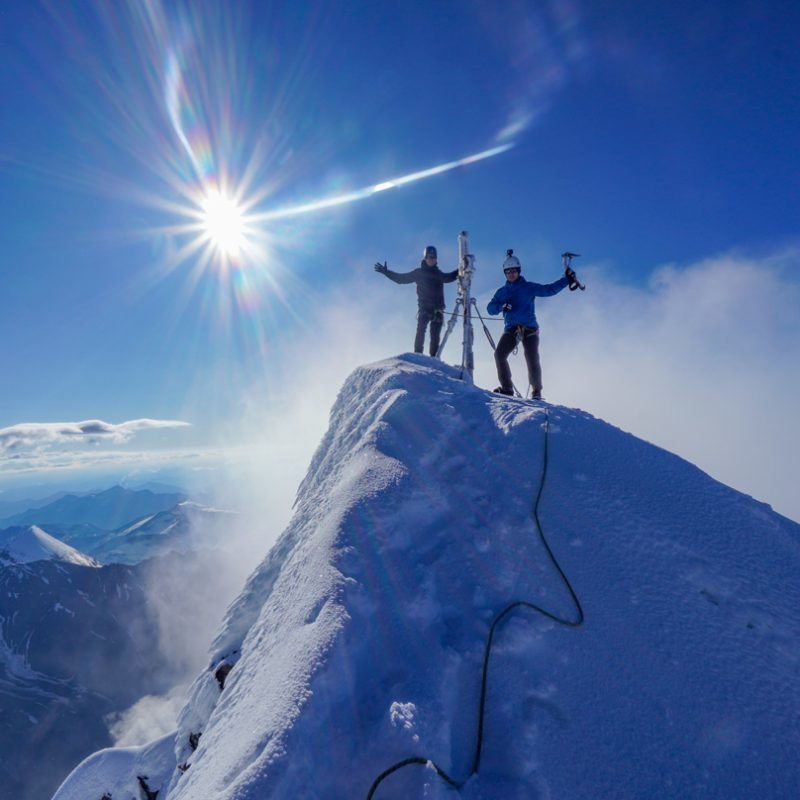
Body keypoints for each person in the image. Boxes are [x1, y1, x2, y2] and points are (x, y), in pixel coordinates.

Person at [486, 250, 570, 399]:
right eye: (508, 271)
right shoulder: (502, 292)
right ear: (505, 273)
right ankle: (507, 388)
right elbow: (490, 308)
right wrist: (501, 306)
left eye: (514, 271)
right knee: (499, 355)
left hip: (530, 329)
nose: (511, 274)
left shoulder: (528, 287)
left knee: (532, 358)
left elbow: (548, 290)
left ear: (519, 271)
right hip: (512, 329)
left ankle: (536, 392)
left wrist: (566, 280)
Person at [374, 245, 459, 356]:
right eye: (429, 257)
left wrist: (461, 269)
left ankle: (434, 360)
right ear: (425, 258)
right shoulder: (419, 273)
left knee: (435, 337)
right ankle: (418, 357)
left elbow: (450, 277)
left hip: (438, 311)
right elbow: (401, 279)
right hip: (424, 310)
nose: (431, 259)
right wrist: (387, 272)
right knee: (420, 333)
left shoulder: (439, 274)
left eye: (434, 257)